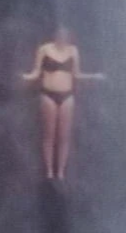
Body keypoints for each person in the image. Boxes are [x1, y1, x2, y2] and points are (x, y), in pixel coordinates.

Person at [19, 26, 104, 182]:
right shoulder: (45, 49)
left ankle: (61, 171)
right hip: (48, 94)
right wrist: (24, 77)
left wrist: (94, 76)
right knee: (49, 134)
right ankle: (49, 171)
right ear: (55, 36)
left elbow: (77, 74)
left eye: (65, 36)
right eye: (59, 36)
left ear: (69, 38)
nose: (62, 38)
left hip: (67, 95)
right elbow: (36, 72)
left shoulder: (73, 51)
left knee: (64, 135)